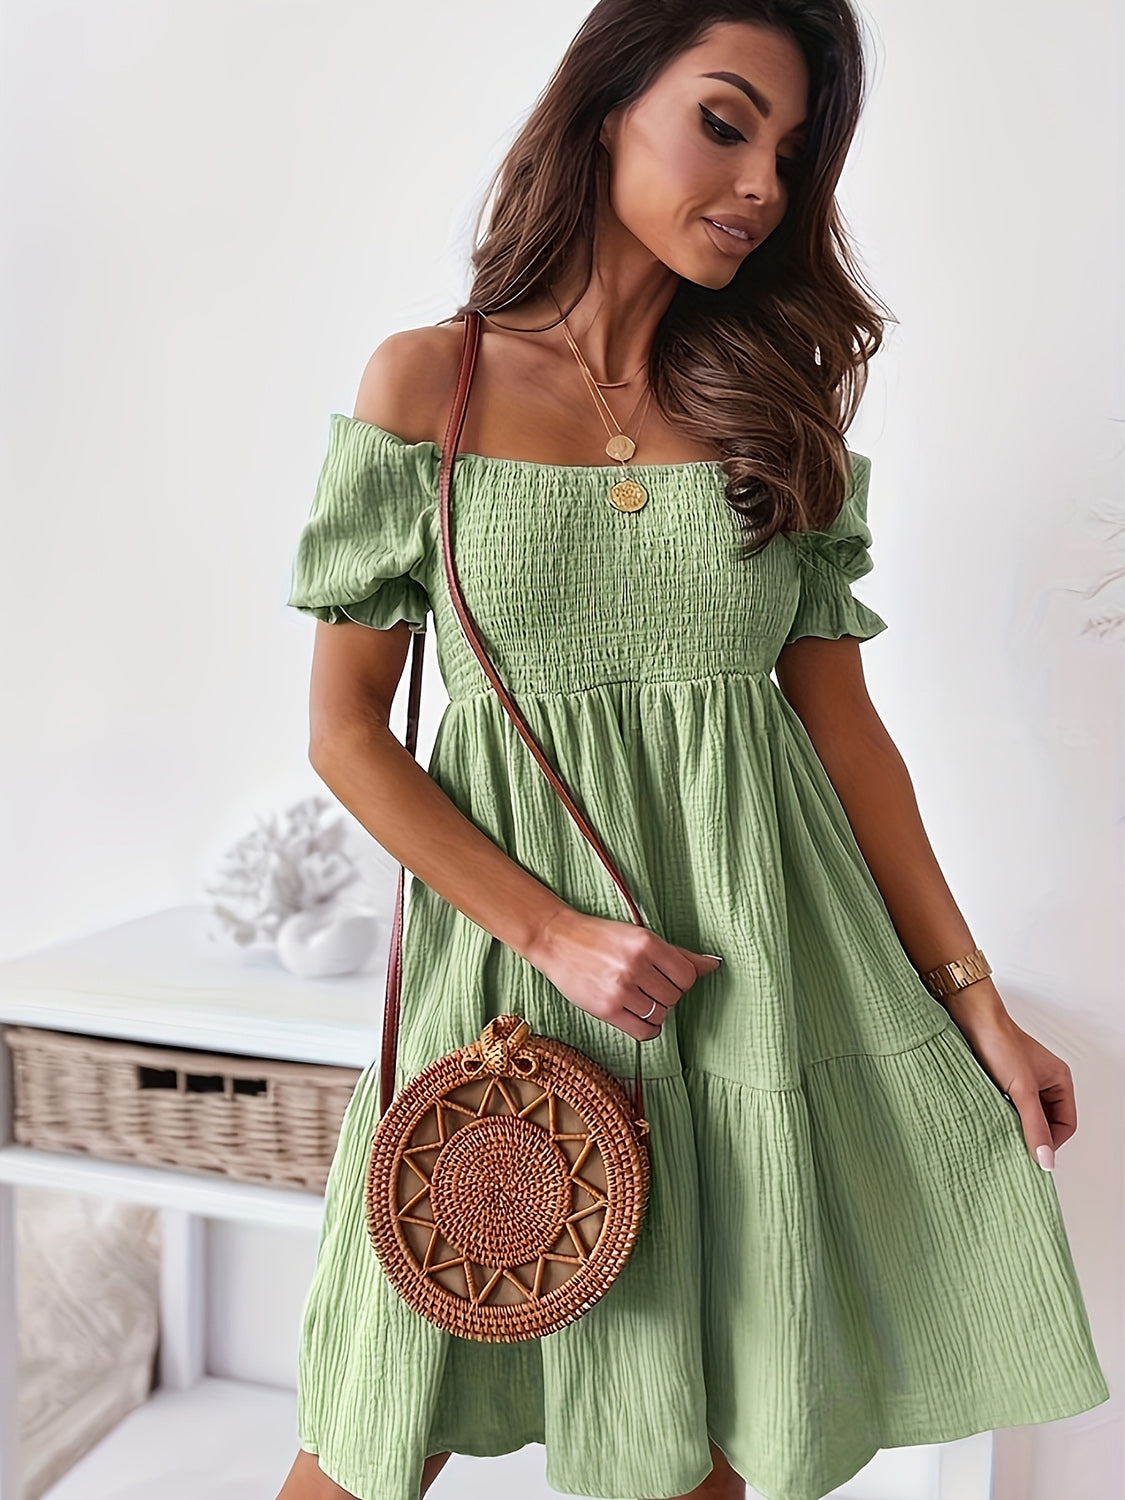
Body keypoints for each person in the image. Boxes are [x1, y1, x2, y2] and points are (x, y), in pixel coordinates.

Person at [275, 4, 1111, 1498]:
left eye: (790, 154)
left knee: (704, 1439)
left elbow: (843, 733)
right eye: (725, 123)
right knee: (372, 1428)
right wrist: (555, 934)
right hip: (510, 977)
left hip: (752, 976)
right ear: (607, 106)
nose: (760, 186)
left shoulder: (776, 409)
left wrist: (972, 996)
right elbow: (346, 732)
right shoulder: (429, 385)